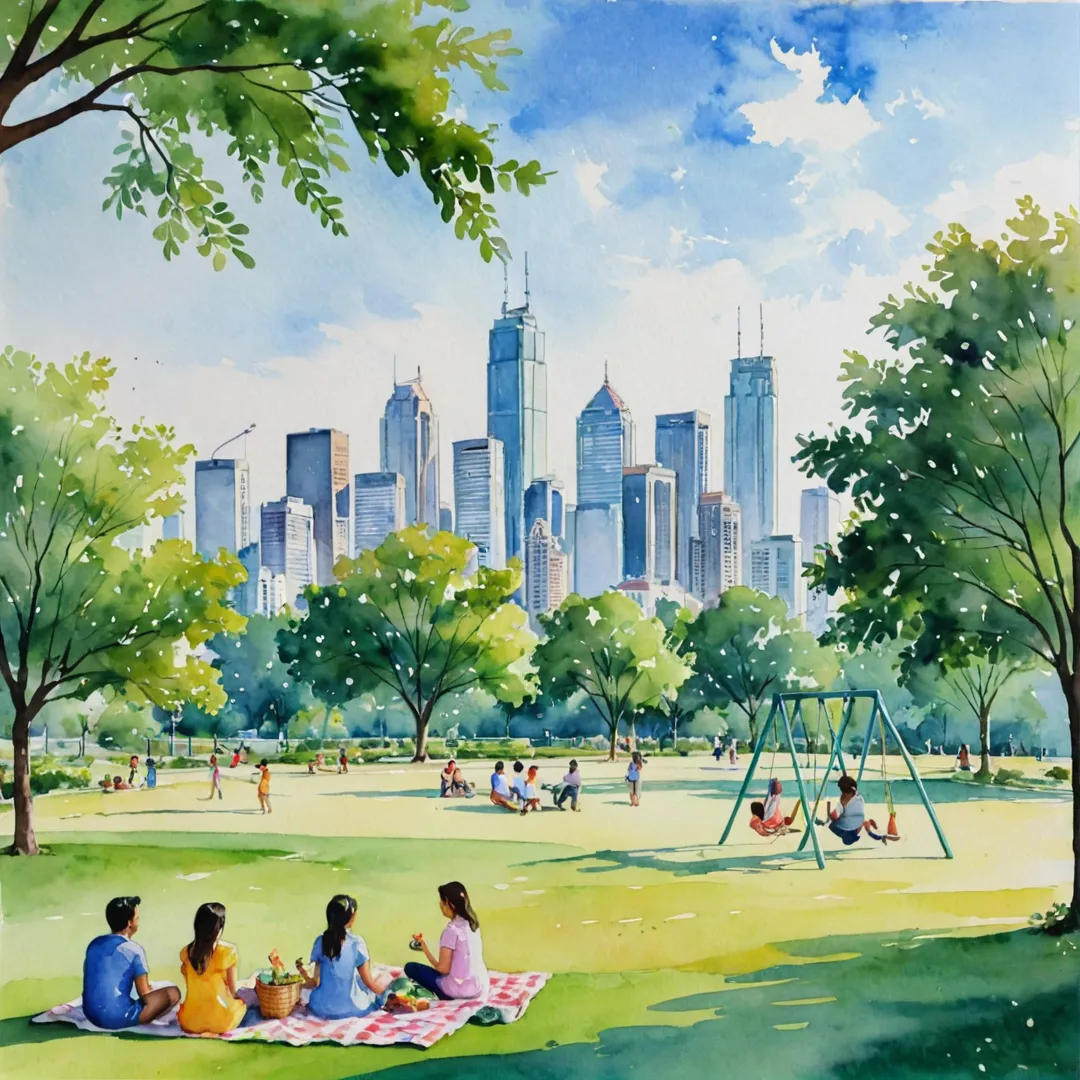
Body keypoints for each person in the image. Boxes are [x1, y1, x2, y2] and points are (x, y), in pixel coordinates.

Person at [81, 896, 180, 1030]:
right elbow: (144, 994)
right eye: (137, 918)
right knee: (172, 992)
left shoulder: (94, 944)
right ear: (130, 923)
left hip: (91, 1014)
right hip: (117, 1018)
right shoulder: (134, 950)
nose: (138, 921)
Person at [297, 894, 391, 1019]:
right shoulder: (357, 943)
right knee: (368, 991)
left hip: (323, 1007)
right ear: (351, 917)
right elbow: (369, 983)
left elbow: (316, 981)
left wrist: (301, 977)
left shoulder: (320, 941)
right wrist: (389, 995)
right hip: (352, 1008)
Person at [405, 882, 489, 1001]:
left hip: (459, 989)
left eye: (442, 902)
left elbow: (442, 969)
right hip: (479, 985)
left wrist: (425, 950)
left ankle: (444, 995)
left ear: (451, 905)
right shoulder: (473, 925)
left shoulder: (451, 931)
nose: (440, 904)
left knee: (411, 967)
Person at [177, 902, 246, 1035]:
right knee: (246, 997)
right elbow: (233, 991)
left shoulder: (185, 952)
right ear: (219, 929)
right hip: (222, 1021)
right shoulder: (228, 951)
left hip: (190, 1021)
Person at [826, 775, 894, 846]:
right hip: (857, 822)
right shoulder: (860, 797)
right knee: (865, 831)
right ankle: (879, 835)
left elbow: (837, 814)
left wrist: (832, 816)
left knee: (834, 828)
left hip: (853, 826)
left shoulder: (844, 799)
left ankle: (877, 833)